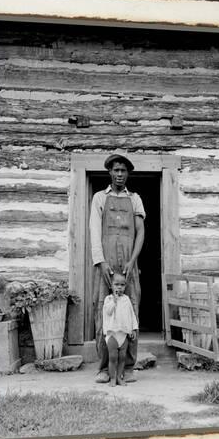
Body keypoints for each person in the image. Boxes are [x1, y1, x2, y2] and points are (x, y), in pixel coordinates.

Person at [90, 153, 145, 383]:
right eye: (116, 170)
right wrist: (100, 261)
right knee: (103, 311)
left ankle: (129, 367)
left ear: (128, 173)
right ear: (110, 172)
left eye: (123, 170)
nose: (120, 174)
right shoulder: (99, 198)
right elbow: (94, 231)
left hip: (129, 264)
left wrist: (133, 261)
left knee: (130, 310)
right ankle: (104, 368)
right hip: (106, 263)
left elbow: (140, 231)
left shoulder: (135, 199)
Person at [103, 272, 139, 386]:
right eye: (116, 284)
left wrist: (133, 329)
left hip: (123, 334)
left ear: (125, 286)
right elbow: (108, 312)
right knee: (113, 357)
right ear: (111, 286)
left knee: (122, 357)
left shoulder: (126, 299)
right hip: (112, 333)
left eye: (122, 285)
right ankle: (112, 378)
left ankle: (119, 377)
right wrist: (114, 300)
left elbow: (131, 314)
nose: (119, 287)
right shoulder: (108, 299)